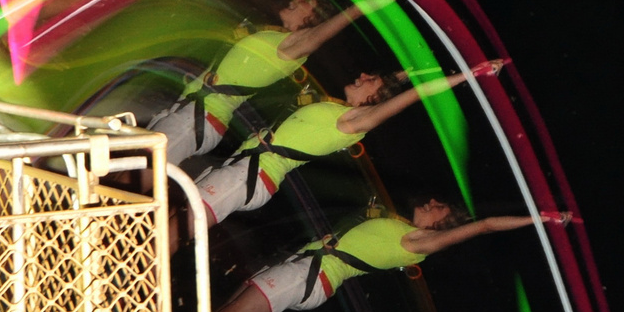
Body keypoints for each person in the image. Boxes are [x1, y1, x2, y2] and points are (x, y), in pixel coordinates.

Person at [151, 0, 438, 166]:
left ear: (311, 21)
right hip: (190, 110)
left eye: (305, 3)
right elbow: (320, 2)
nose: (296, 0)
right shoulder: (278, 36)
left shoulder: (295, 46)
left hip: (199, 118)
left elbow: (351, 13)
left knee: (136, 167)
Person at [186, 57, 506, 230]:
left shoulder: (354, 122)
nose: (363, 73)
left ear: (372, 101)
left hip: (250, 176)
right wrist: (411, 70)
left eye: (370, 81)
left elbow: (410, 98)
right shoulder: (342, 111)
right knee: (180, 214)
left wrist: (469, 75)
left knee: (182, 221)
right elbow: (400, 87)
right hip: (243, 170)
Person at [210, 201, 572, 312]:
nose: (429, 203)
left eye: (438, 208)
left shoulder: (420, 243)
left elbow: (487, 225)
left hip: (309, 276)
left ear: (444, 225)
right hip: (306, 270)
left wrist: (543, 218)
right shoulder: (398, 226)